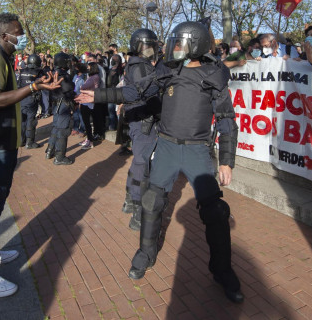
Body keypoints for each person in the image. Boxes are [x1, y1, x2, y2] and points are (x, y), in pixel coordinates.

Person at [77, 21, 243, 303]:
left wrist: (227, 161)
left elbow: (227, 118)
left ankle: (222, 270)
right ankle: (146, 253)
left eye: (180, 42)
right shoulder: (167, 70)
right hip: (166, 146)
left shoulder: (215, 74)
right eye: (174, 41)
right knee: (152, 202)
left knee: (215, 212)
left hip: (197, 150)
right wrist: (101, 95)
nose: (173, 47)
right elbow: (136, 92)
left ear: (196, 44)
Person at [0, 13, 61, 297]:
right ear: (4, 34)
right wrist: (33, 87)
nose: (21, 36)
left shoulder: (2, 58)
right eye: (18, 32)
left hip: (1, 143)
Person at [118, 28, 167, 230]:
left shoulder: (138, 65)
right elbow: (147, 95)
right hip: (144, 121)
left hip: (139, 120)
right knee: (143, 166)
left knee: (139, 163)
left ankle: (130, 200)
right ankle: (138, 211)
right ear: (140, 46)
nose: (152, 49)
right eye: (149, 45)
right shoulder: (141, 67)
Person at [45, 52, 76, 164]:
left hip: (56, 104)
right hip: (63, 104)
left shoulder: (54, 72)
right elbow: (69, 90)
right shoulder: (63, 75)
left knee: (56, 128)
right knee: (63, 130)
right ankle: (59, 157)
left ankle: (50, 150)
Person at [18, 54, 44, 149]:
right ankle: (30, 142)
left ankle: (21, 140)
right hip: (32, 98)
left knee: (22, 120)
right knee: (31, 120)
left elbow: (18, 85)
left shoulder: (22, 71)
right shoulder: (39, 72)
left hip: (21, 98)